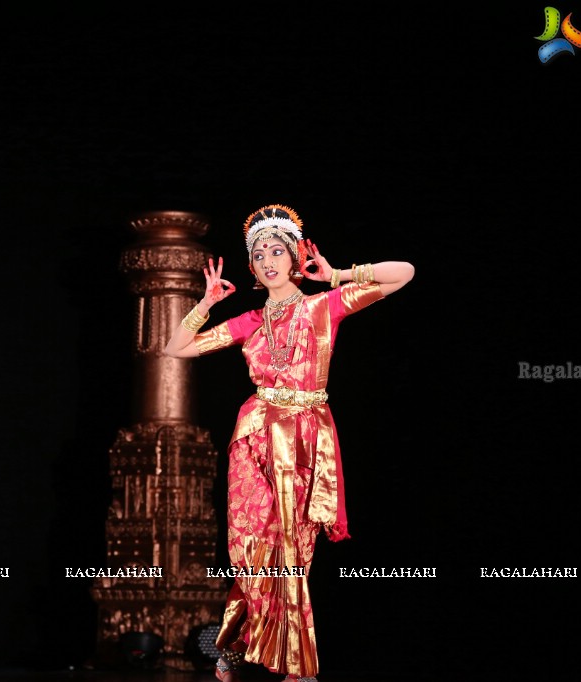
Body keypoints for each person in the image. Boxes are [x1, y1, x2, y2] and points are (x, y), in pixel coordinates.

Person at [164, 205, 414, 682]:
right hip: (256, 436)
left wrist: (339, 273)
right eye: (259, 255)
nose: (268, 260)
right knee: (251, 547)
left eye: (278, 250)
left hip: (302, 438)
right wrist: (205, 303)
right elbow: (176, 348)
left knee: (293, 551)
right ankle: (240, 640)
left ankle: (296, 662)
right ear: (253, 268)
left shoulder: (325, 306)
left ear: (296, 255)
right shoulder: (249, 321)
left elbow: (405, 273)